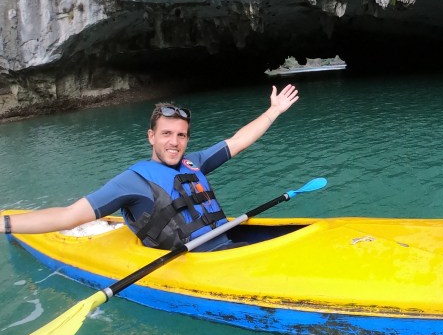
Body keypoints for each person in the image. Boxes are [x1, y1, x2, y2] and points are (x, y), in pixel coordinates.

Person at [2, 85, 299, 251]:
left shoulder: (193, 163)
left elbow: (238, 141)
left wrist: (274, 110)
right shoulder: (133, 181)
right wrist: (6, 225)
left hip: (228, 241)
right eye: (166, 134)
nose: (174, 142)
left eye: (181, 135)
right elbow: (68, 216)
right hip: (199, 258)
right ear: (151, 137)